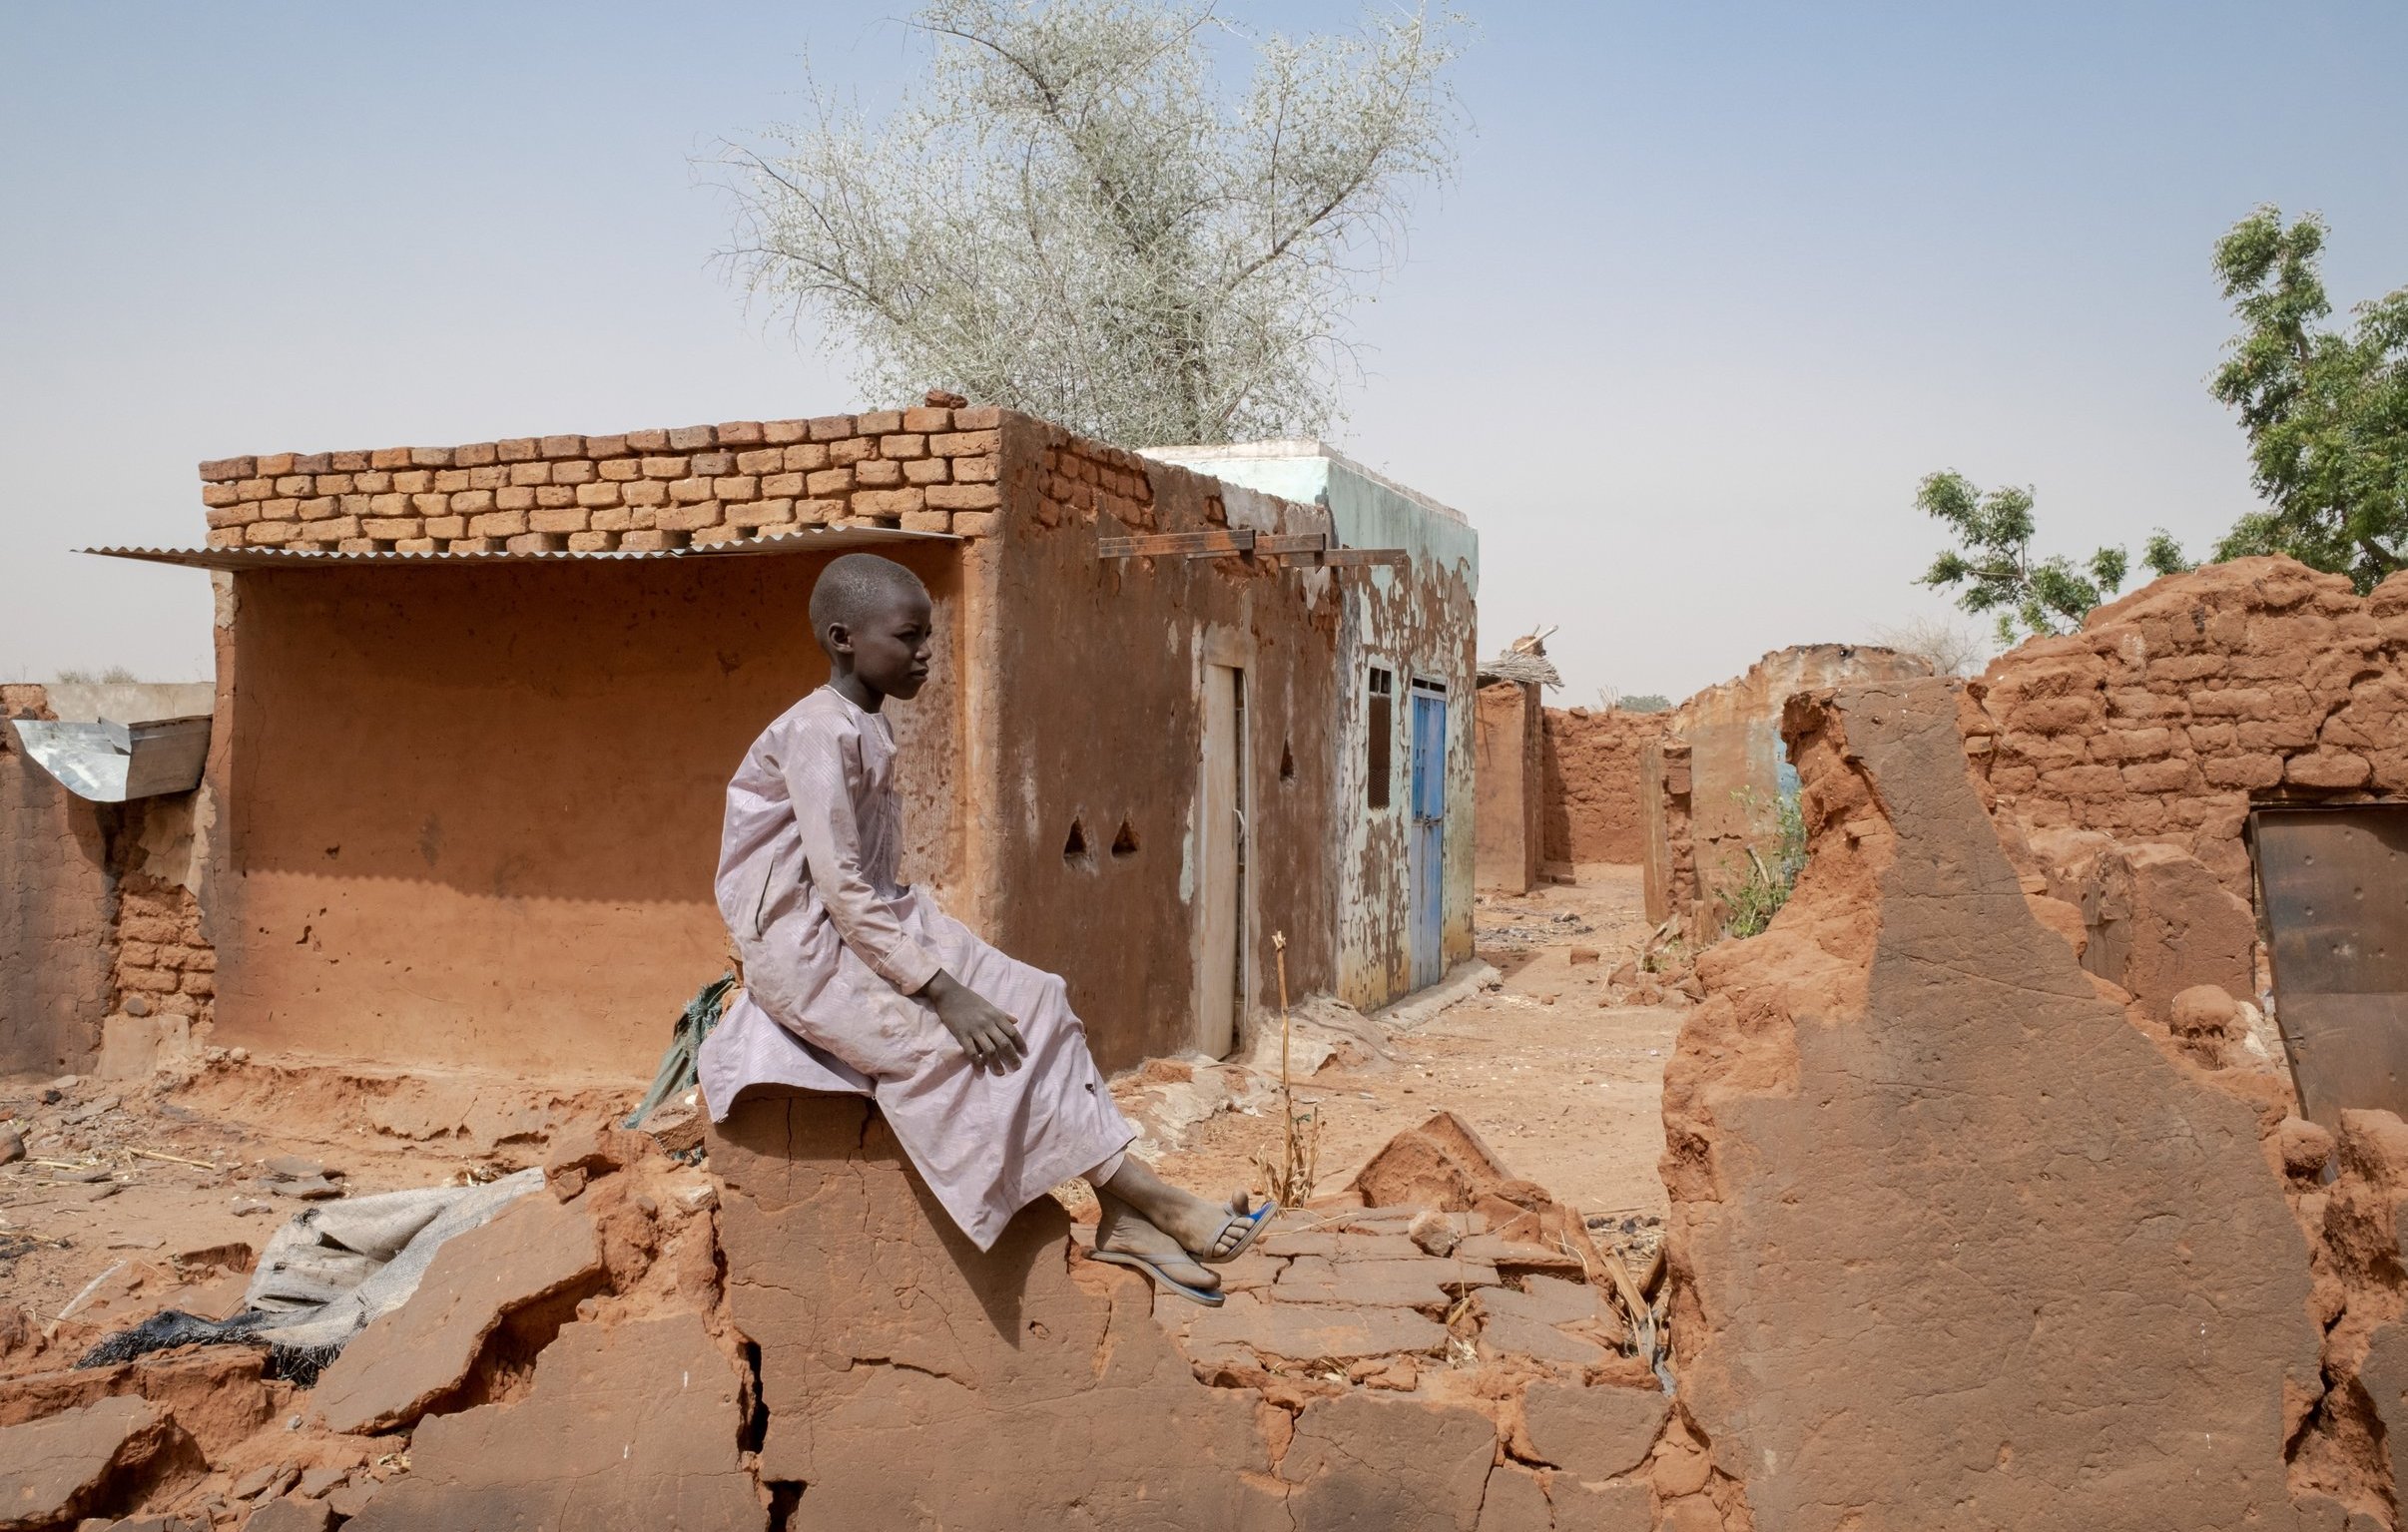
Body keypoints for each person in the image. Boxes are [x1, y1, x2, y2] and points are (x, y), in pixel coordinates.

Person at [697, 552, 1270, 1304]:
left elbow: (866, 884)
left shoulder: (865, 724)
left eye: (927, 635)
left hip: (873, 918)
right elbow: (835, 885)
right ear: (844, 639)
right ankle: (1149, 1199)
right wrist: (941, 991)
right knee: (955, 1042)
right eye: (908, 637)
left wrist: (941, 966)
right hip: (805, 945)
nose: (926, 652)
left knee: (1040, 998)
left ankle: (1126, 1209)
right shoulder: (815, 732)